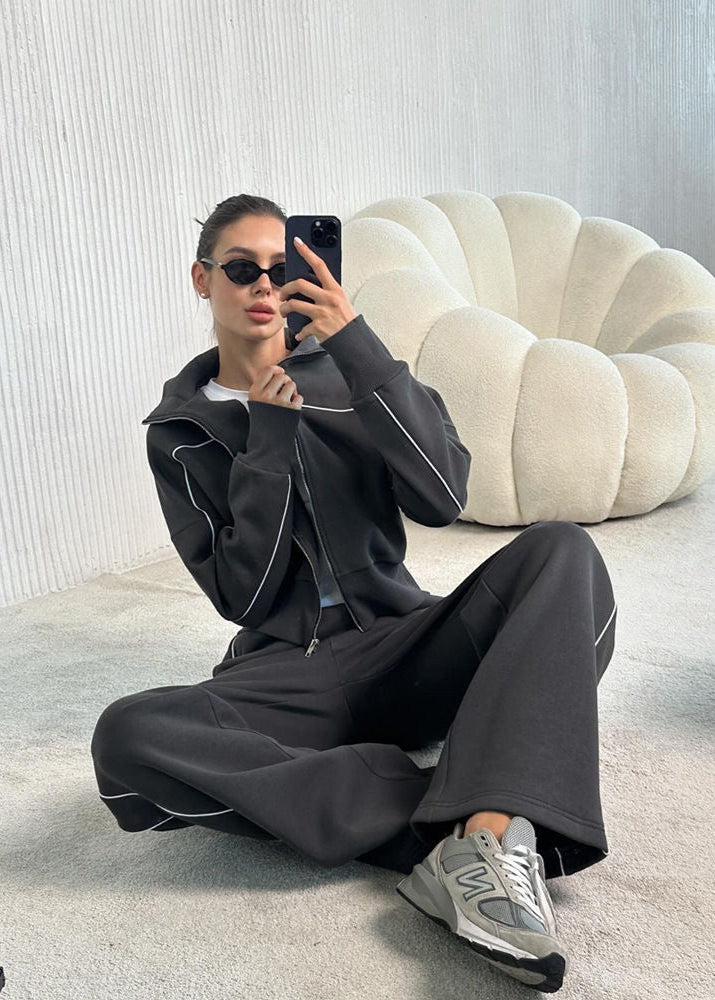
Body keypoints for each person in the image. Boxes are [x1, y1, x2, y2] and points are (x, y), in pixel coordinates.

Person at [91, 193, 618, 993]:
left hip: (403, 647)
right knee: (129, 736)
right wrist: (266, 442)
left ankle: (482, 826)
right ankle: (463, 817)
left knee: (563, 557)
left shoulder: (351, 373)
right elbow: (243, 595)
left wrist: (359, 348)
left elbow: (442, 496)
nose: (263, 285)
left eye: (282, 268)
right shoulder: (181, 430)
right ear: (202, 279)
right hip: (286, 675)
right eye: (241, 268)